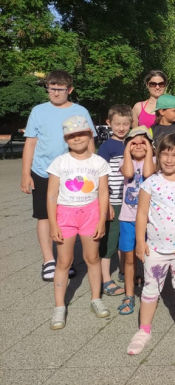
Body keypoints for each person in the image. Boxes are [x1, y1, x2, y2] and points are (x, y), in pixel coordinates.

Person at [127, 134, 175, 355]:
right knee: (150, 290)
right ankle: (144, 330)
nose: (169, 159)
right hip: (154, 249)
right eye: (165, 153)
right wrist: (140, 241)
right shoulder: (150, 182)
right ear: (158, 155)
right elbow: (141, 213)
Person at [21, 70, 97, 282]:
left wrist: (94, 169)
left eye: (60, 89)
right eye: (51, 88)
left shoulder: (80, 111)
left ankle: (66, 260)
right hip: (42, 171)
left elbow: (90, 141)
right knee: (44, 215)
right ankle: (49, 260)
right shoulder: (38, 111)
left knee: (68, 216)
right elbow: (31, 143)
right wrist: (25, 173)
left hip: (73, 174)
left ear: (69, 90)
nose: (54, 93)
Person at [47, 115, 111, 329]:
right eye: (71, 136)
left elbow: (103, 193)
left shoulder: (98, 162)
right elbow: (52, 195)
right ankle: (59, 306)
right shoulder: (60, 162)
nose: (77, 139)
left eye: (81, 134)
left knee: (92, 257)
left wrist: (102, 219)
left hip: (91, 214)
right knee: (63, 261)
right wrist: (53, 224)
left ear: (90, 135)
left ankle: (95, 298)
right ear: (66, 139)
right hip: (65, 215)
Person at [117, 126, 155, 316]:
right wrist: (127, 149)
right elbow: (129, 173)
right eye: (134, 143)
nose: (138, 145)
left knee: (149, 257)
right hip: (128, 218)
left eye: (143, 142)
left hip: (150, 220)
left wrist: (148, 148)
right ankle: (129, 293)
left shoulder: (154, 161)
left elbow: (148, 174)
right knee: (129, 258)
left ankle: (150, 291)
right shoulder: (126, 162)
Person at [97, 104, 133, 298]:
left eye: (125, 124)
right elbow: (101, 176)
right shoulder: (107, 146)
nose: (121, 128)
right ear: (109, 123)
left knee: (125, 240)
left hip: (129, 201)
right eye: (117, 124)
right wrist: (107, 203)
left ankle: (124, 271)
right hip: (113, 201)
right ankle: (105, 279)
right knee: (110, 242)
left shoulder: (131, 143)